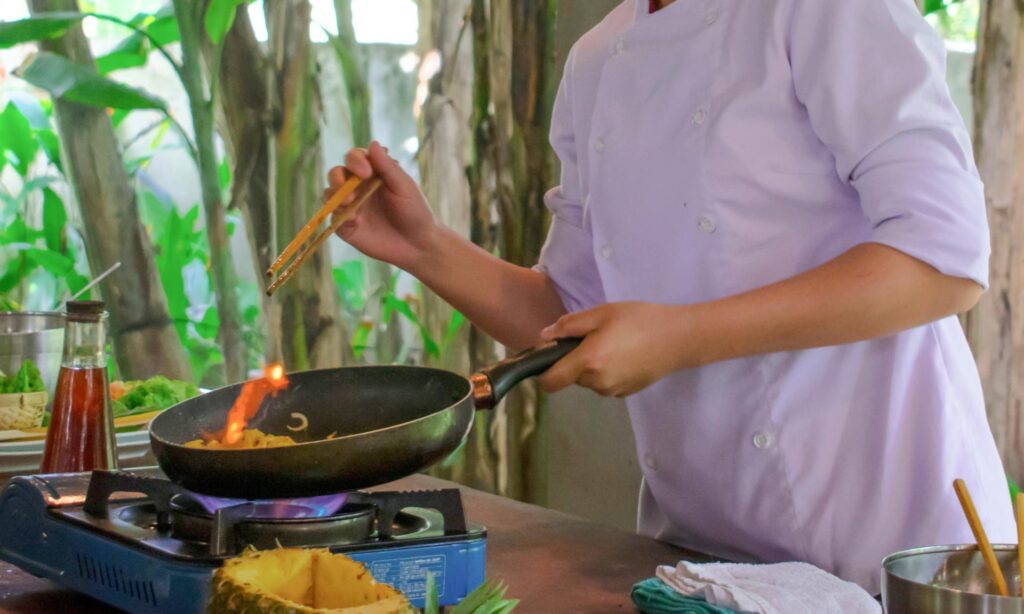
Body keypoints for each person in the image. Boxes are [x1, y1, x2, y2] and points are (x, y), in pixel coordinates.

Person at [326, 0, 1013, 593]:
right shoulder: (598, 58)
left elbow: (942, 258)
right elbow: (568, 312)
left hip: (885, 545)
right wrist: (425, 247)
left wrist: (679, 338)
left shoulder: (825, 11)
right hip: (702, 560)